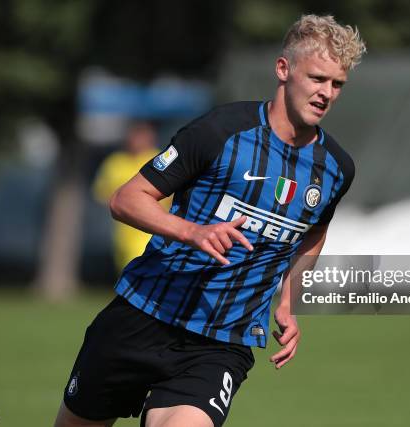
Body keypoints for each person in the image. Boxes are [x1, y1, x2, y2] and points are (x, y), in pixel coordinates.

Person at [55, 14, 365, 427]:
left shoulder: (336, 169)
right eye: (317, 78)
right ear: (283, 69)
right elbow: (126, 199)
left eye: (337, 84)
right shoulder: (221, 131)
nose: (326, 93)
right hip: (143, 313)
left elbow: (314, 233)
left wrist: (287, 300)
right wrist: (193, 231)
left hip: (221, 341)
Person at [92, 122, 164, 271]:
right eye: (134, 136)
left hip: (151, 231)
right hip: (123, 233)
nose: (137, 141)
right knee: (125, 274)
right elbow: (102, 192)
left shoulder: (159, 160)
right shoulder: (115, 162)